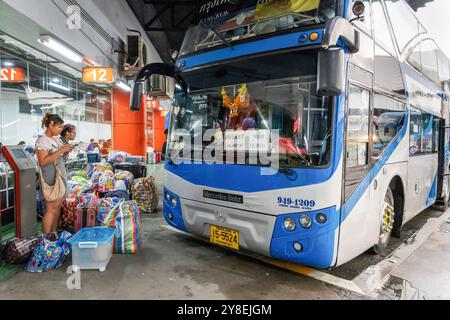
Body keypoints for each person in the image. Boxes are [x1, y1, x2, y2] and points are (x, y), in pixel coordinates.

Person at [35, 113, 73, 237]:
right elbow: (43, 161)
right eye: (59, 127)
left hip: (59, 176)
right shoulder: (42, 141)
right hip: (50, 177)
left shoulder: (56, 139)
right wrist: (61, 150)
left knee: (57, 208)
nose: (61, 130)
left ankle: (53, 235)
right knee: (50, 209)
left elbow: (59, 156)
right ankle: (46, 239)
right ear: (50, 125)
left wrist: (65, 151)